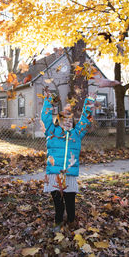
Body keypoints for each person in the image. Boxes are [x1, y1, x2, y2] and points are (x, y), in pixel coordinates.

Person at [41, 92, 96, 231]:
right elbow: (45, 117)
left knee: (70, 203)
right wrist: (48, 100)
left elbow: (85, 120)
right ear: (58, 121)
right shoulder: (51, 132)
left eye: (70, 120)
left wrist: (89, 100)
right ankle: (58, 223)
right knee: (58, 205)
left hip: (70, 174)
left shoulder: (76, 134)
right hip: (55, 174)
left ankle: (71, 222)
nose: (67, 122)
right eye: (64, 120)